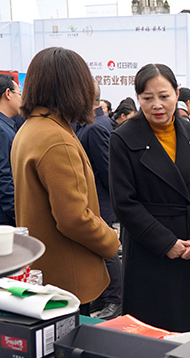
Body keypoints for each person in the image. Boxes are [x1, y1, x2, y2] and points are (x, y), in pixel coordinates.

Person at [110, 63, 190, 332]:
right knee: (154, 334)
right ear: (138, 99)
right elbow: (124, 203)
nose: (157, 105)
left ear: (177, 94)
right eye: (147, 98)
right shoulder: (123, 138)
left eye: (164, 96)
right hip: (151, 252)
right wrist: (166, 243)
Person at [11, 47, 119, 311]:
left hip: (46, 268)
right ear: (74, 88)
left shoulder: (31, 129)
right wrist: (111, 240)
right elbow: (73, 218)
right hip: (69, 278)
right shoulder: (56, 138)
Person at [74, 81, 123, 320]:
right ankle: (105, 296)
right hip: (95, 198)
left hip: (100, 199)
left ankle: (116, 299)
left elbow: (107, 169)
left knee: (107, 248)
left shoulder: (95, 127)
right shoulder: (89, 124)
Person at [0, 74, 21, 227]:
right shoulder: (2, 130)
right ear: (8, 93)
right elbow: (4, 175)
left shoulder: (7, 126)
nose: (22, 100)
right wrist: (16, 213)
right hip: (6, 218)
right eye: (19, 94)